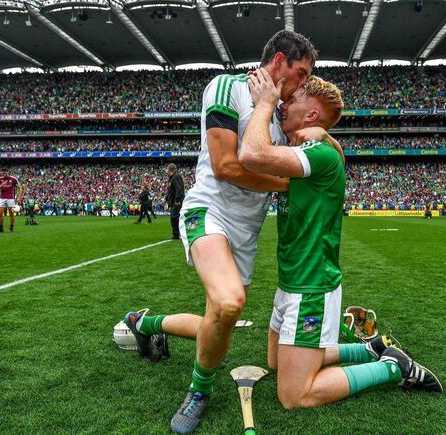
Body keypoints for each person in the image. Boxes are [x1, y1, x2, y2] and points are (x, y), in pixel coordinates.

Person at [122, 30, 317, 434]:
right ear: (278, 61)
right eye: (300, 73)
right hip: (207, 210)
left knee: (219, 318)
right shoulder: (226, 87)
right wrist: (288, 182)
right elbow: (227, 165)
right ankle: (199, 390)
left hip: (246, 231)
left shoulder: (280, 119)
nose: (303, 84)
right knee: (228, 303)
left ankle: (145, 323)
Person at [242, 71, 444, 409]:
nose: (283, 103)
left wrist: (265, 103)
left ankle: (394, 367)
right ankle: (369, 347)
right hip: (292, 280)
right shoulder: (312, 147)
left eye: (292, 100)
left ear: (311, 115)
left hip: (311, 287)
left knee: (293, 395)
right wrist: (327, 136)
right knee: (276, 364)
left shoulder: (318, 152)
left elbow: (251, 154)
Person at [0, 168, 23, 233]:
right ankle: (1, 228)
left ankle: (11, 228)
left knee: (11, 213)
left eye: (5, 173)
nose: (4, 174)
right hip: (2, 198)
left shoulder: (13, 179)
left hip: (11, 198)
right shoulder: (0, 179)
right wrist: (2, 185)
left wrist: (19, 198)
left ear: (8, 172)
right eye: (3, 173)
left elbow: (20, 188)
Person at [165, 164, 184, 238]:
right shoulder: (172, 178)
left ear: (170, 169)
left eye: (167, 169)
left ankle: (176, 233)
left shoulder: (176, 177)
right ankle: (176, 233)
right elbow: (171, 190)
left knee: (174, 217)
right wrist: (167, 199)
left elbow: (179, 189)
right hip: (173, 201)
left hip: (176, 202)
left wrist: (177, 200)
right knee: (174, 217)